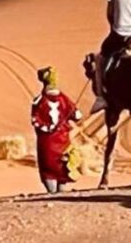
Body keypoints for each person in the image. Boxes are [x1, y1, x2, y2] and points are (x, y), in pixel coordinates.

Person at [31, 66, 82, 194]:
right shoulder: (65, 99)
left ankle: (53, 195)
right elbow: (77, 116)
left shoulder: (38, 101)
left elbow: (35, 121)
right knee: (62, 169)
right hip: (63, 142)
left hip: (47, 144)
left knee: (49, 172)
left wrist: (48, 128)